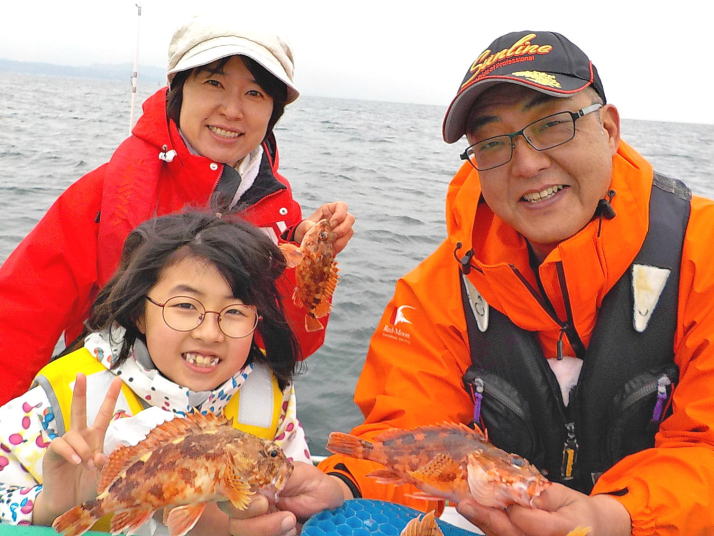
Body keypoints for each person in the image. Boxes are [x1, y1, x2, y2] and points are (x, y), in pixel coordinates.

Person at [313, 31, 714, 535]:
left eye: (553, 125)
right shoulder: (433, 293)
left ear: (609, 129)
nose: (527, 163)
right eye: (492, 142)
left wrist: (621, 518)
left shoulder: (703, 253)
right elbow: (410, 433)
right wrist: (343, 484)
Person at [0, 15, 355, 405]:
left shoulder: (279, 210)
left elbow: (294, 345)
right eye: (214, 83)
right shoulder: (101, 196)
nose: (232, 110)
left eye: (255, 93)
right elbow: (17, 322)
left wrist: (304, 257)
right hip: (115, 414)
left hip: (229, 422)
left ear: (273, 112)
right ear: (178, 90)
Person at [0, 211, 344, 534]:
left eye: (235, 311)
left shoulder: (270, 394)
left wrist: (322, 498)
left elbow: (289, 483)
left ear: (257, 320)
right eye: (184, 306)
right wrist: (49, 507)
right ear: (139, 313)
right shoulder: (64, 398)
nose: (209, 333)